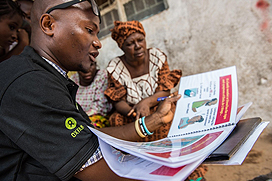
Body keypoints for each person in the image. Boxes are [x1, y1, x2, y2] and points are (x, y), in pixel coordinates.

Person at [0, 0, 181, 180]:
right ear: (49, 25)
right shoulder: (29, 83)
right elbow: (102, 173)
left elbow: (87, 138)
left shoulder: (47, 77)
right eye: (89, 30)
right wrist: (178, 168)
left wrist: (153, 121)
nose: (98, 43)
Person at [105, 20, 182, 142]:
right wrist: (134, 112)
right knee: (116, 120)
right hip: (132, 113)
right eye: (130, 43)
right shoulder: (115, 67)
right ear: (122, 47)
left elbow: (165, 90)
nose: (138, 46)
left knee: (172, 110)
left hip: (158, 104)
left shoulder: (156, 57)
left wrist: (146, 103)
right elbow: (118, 101)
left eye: (140, 40)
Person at [70, 61, 112, 128]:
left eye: (91, 65)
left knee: (87, 128)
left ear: (95, 65)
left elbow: (100, 107)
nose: (87, 70)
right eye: (82, 66)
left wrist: (82, 117)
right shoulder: (73, 80)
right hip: (78, 117)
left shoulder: (102, 76)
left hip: (98, 116)